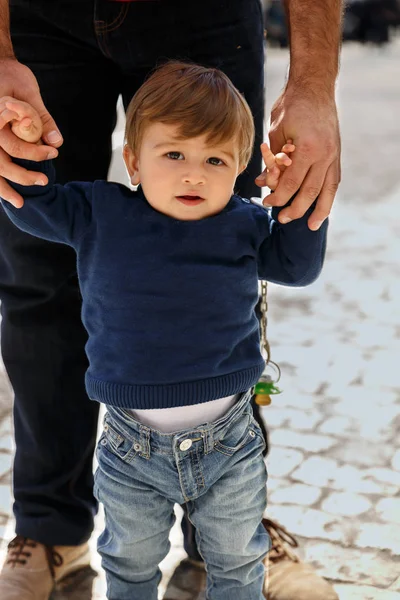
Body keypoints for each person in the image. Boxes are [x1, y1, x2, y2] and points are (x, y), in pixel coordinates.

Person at [0, 1, 342, 599]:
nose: (193, 175)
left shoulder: (239, 222)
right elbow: (33, 203)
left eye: (215, 161)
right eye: (173, 156)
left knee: (233, 562)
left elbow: (296, 266)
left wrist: (303, 197)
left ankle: (226, 551)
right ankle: (50, 531)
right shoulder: (99, 213)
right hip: (130, 443)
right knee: (129, 565)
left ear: (239, 167)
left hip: (229, 440)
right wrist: (18, 134)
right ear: (131, 161)